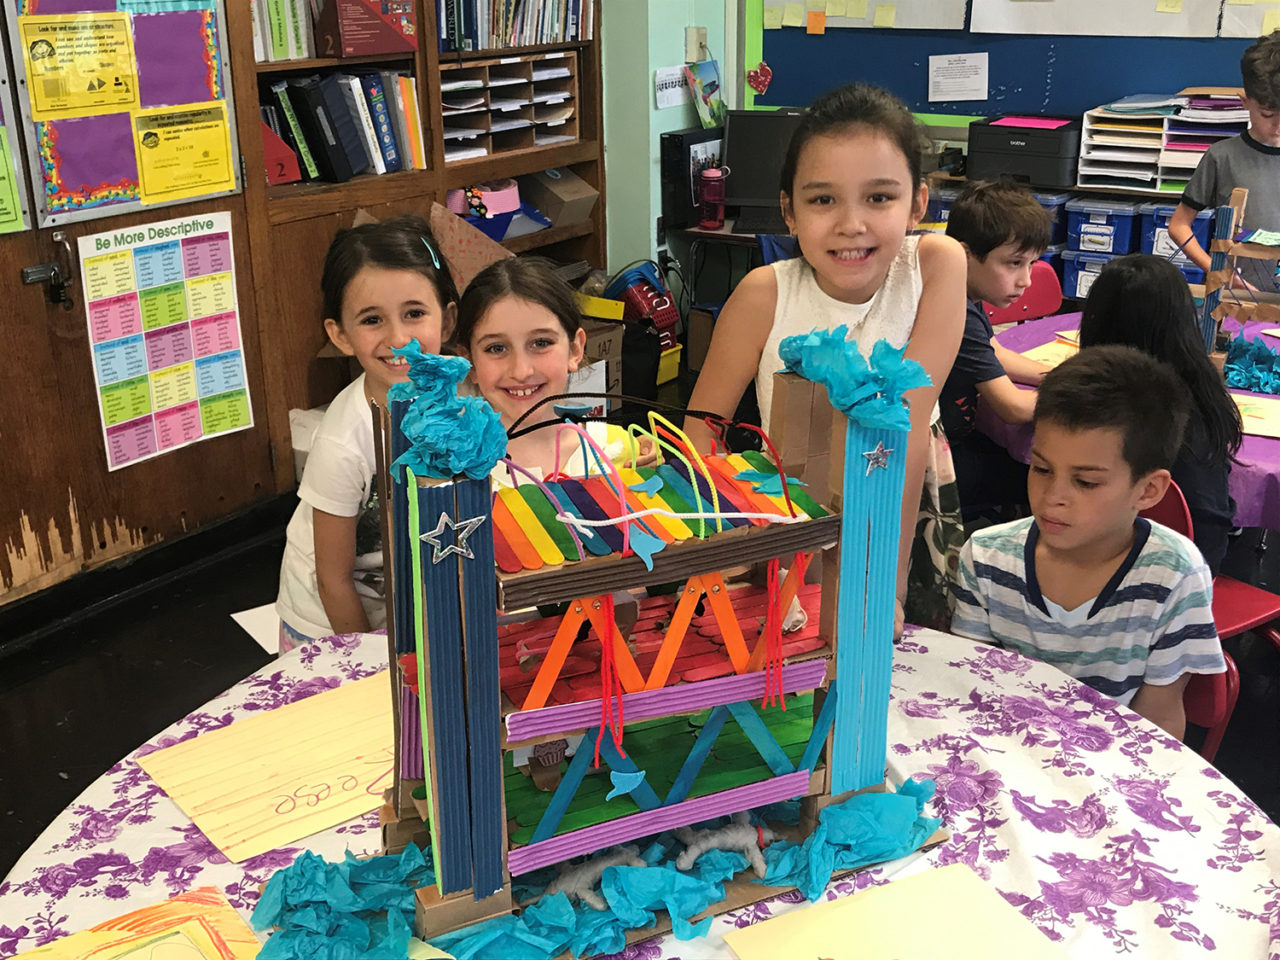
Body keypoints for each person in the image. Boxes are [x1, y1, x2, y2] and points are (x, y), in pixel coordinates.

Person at [685, 83, 967, 630]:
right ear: (788, 211)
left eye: (879, 197)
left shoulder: (936, 264)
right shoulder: (763, 294)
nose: (851, 224)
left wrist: (883, 581)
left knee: (881, 650)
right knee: (794, 665)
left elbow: (901, 427)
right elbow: (701, 429)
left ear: (919, 204)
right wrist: (732, 536)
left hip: (900, 502)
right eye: (823, 199)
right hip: (792, 501)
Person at [952, 346, 1225, 739]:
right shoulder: (986, 558)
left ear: (1148, 490)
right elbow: (968, 695)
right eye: (1041, 468)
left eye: (1086, 482)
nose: (1053, 496)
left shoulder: (1174, 576)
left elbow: (1158, 722)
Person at [276, 215, 459, 650]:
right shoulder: (343, 442)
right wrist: (371, 664)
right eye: (372, 320)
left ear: (447, 321)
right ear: (339, 335)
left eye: (414, 313)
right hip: (330, 625)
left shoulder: (454, 397)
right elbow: (333, 580)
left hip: (407, 601)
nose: (398, 339)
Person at [1079, 254, 1242, 574]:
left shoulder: (1100, 401)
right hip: (1196, 564)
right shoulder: (1202, 389)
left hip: (1114, 562)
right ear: (1184, 322)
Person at [453, 256, 648, 480]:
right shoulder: (449, 468)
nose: (521, 371)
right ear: (469, 363)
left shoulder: (622, 452)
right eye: (496, 348)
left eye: (541, 343)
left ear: (575, 350)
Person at [939, 179, 1053, 521]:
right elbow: (1014, 408)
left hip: (951, 440)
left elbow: (993, 351)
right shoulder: (953, 309)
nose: (1026, 280)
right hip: (942, 460)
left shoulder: (961, 294)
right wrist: (1076, 393)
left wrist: (1056, 376)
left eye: (1032, 264)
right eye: (1013, 263)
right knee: (1041, 473)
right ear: (964, 254)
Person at [1169, 30, 1280, 291]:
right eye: (1267, 114)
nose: (1277, 126)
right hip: (1238, 301)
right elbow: (1179, 225)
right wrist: (1219, 272)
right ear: (1245, 101)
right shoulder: (1222, 157)